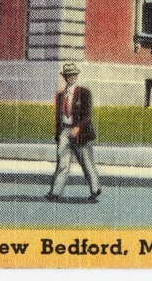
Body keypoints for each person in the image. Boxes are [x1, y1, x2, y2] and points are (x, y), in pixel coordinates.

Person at [46, 62, 102, 202]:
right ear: (65, 77)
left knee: (86, 162)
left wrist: (78, 127)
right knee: (63, 162)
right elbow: (58, 116)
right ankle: (55, 192)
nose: (70, 77)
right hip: (65, 131)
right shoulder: (60, 95)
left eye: (72, 75)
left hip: (81, 132)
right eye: (68, 75)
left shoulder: (84, 92)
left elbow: (88, 115)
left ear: (76, 76)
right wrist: (58, 133)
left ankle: (95, 189)